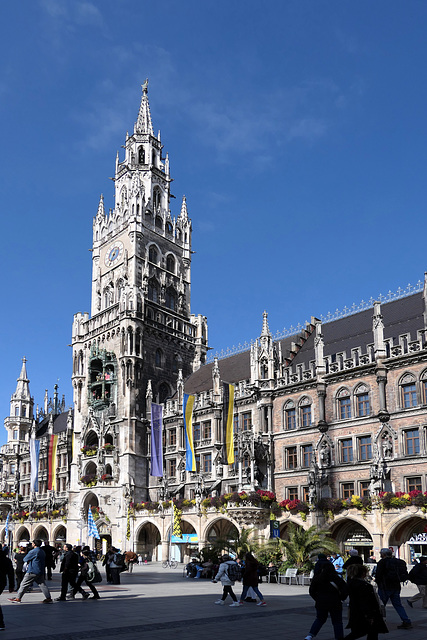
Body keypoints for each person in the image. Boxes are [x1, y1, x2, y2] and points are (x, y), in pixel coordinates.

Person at [304, 560, 348, 640]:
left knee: (320, 619)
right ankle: (339, 637)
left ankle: (310, 635)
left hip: (321, 602)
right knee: (337, 622)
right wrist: (341, 598)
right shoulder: (336, 578)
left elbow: (312, 591)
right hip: (335, 602)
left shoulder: (317, 578)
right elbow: (345, 590)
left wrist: (317, 599)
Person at [345, 563, 388, 640]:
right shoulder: (364, 586)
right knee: (368, 632)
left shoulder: (351, 583)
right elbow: (366, 601)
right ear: (363, 573)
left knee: (361, 632)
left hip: (355, 611)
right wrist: (369, 615)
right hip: (366, 613)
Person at [375, 548, 411, 629]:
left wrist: (377, 582)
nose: (380, 554)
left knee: (381, 605)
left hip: (385, 586)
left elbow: (378, 574)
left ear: (383, 554)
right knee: (398, 605)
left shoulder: (382, 562)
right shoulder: (398, 561)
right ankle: (406, 620)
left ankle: (379, 622)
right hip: (396, 586)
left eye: (381, 553)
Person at [8, 539, 53, 603]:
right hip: (40, 570)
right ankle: (48, 598)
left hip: (32, 570)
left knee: (23, 584)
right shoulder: (42, 551)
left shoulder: (33, 551)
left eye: (32, 543)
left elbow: (25, 559)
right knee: (42, 584)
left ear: (34, 544)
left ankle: (18, 598)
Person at [0, 549, 8, 629]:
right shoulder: (6, 559)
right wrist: (11, 585)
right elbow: (11, 572)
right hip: (2, 582)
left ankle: (1, 623)